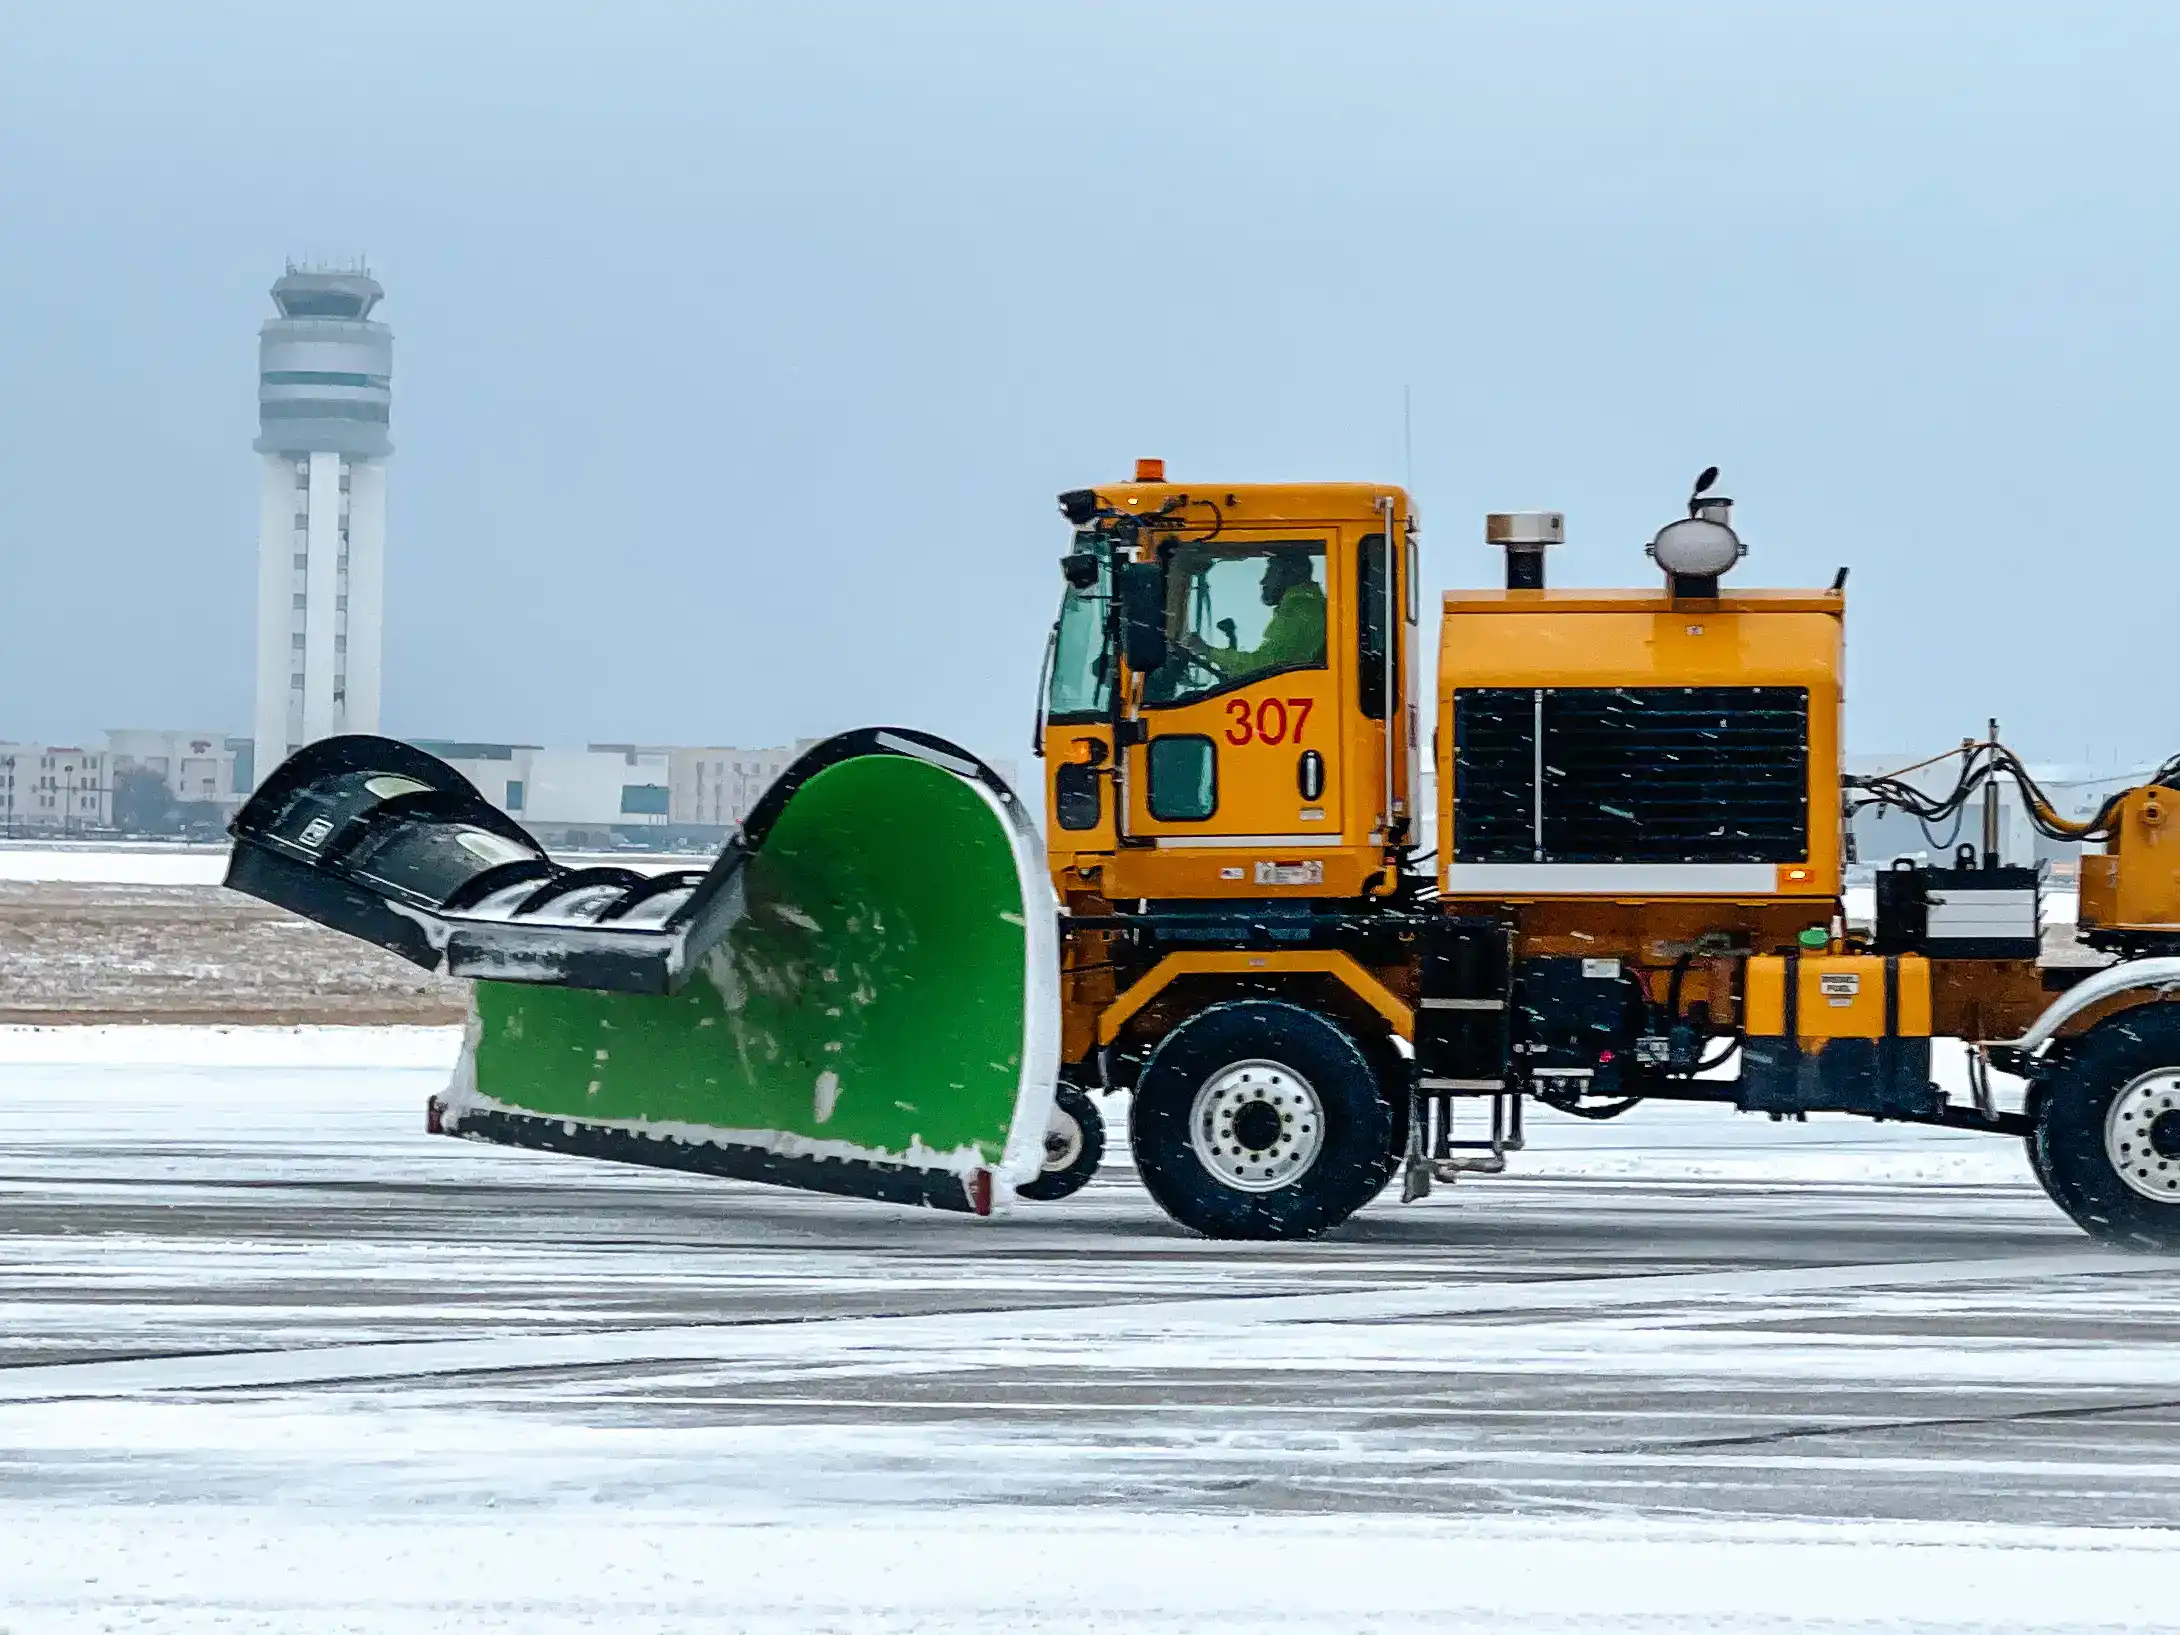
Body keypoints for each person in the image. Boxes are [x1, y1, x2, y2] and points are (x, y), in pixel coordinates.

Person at [1188, 552, 1325, 681]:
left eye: (1270, 573)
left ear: (1292, 575)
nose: (1263, 581)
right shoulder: (1310, 607)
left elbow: (1263, 667)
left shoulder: (1301, 610)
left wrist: (1208, 651)